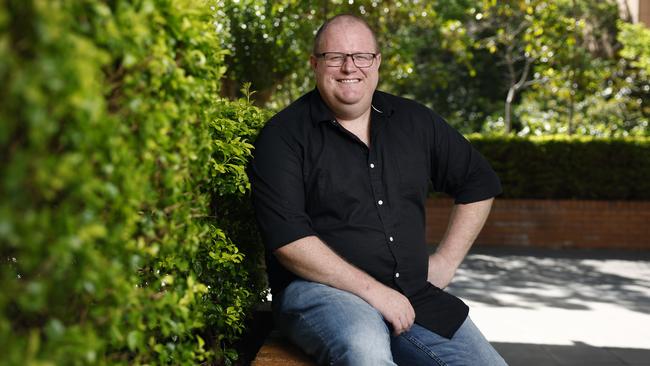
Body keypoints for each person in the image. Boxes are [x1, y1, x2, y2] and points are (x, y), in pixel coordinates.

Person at [249, 14, 507, 366]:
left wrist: (446, 261)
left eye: (361, 56)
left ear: (377, 62)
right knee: (366, 352)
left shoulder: (415, 122)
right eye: (335, 57)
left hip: (413, 295)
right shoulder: (283, 137)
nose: (349, 67)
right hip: (321, 292)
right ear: (314, 64)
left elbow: (478, 182)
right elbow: (289, 241)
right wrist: (376, 294)